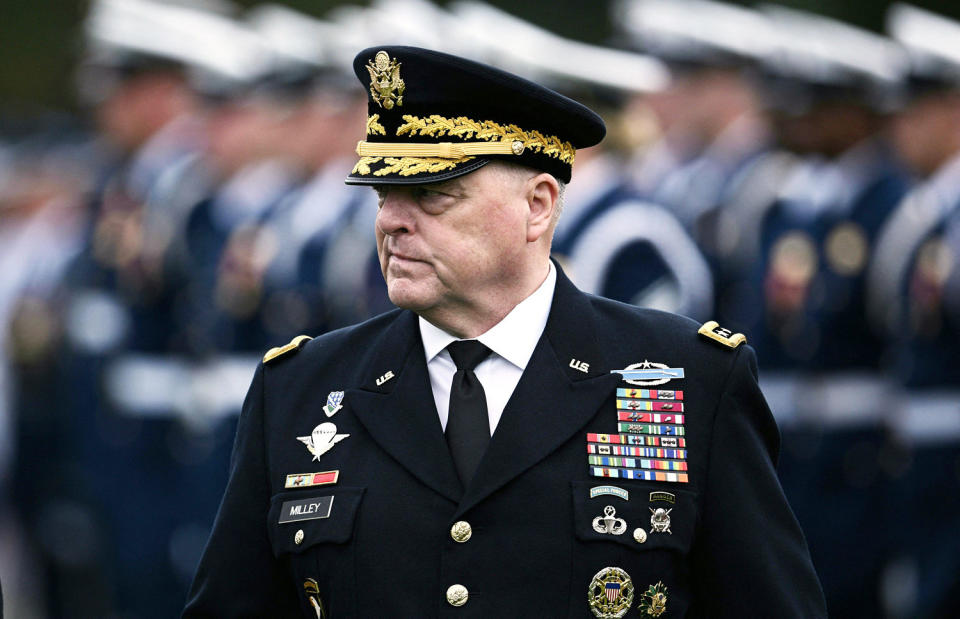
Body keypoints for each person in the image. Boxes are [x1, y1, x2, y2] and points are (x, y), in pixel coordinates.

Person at [184, 45, 826, 617]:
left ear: (538, 205)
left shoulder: (691, 381)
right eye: (382, 194)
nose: (392, 223)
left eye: (433, 196)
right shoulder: (299, 390)